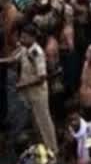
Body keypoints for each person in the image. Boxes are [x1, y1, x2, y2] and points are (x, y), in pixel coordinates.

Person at [1, 25, 58, 155]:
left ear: (32, 38)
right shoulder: (24, 48)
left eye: (24, 37)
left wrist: (23, 85)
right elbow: (13, 59)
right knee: (36, 122)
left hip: (38, 94)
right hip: (28, 93)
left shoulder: (36, 53)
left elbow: (42, 77)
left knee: (44, 123)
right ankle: (42, 145)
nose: (21, 39)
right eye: (21, 36)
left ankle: (52, 150)